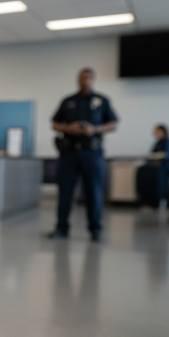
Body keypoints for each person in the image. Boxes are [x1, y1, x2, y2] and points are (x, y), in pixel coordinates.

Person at [49, 68, 118, 242]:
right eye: (81, 77)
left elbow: (113, 123)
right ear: (77, 80)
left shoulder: (102, 101)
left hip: (92, 152)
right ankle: (61, 228)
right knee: (65, 191)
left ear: (92, 79)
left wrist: (95, 129)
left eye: (88, 78)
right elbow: (55, 123)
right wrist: (66, 128)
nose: (84, 80)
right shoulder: (68, 101)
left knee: (94, 192)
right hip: (69, 152)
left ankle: (95, 230)